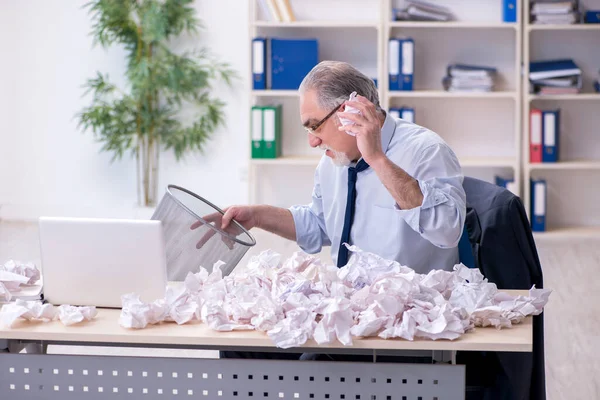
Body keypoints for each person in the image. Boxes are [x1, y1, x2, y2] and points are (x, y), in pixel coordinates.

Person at [196, 60, 466, 274]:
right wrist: (256, 216)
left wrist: (377, 159)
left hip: (412, 317)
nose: (312, 141)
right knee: (244, 341)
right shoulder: (332, 161)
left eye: (315, 126)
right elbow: (321, 225)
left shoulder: (427, 151)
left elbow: (447, 231)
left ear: (352, 111)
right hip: (348, 310)